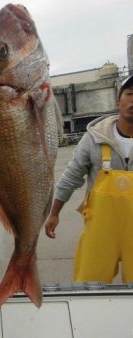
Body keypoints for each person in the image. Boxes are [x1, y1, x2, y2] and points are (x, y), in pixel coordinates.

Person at [45, 74, 133, 283]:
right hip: (100, 234)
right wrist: (54, 213)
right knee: (91, 288)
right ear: (117, 101)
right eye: (130, 94)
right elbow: (70, 177)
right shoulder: (94, 138)